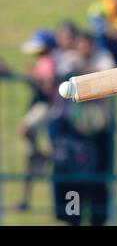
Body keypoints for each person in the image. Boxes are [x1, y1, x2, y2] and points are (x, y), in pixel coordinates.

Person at [50, 33, 116, 225]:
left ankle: (97, 218)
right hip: (72, 137)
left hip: (96, 135)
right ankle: (73, 219)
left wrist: (83, 72)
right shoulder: (68, 59)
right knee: (72, 186)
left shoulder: (103, 58)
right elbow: (61, 75)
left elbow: (108, 76)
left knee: (97, 184)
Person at [18, 29, 56, 211]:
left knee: (25, 129)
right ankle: (25, 201)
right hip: (40, 109)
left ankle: (42, 155)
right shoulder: (44, 61)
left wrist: (34, 78)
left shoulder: (48, 62)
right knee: (30, 160)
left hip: (47, 110)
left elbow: (47, 88)